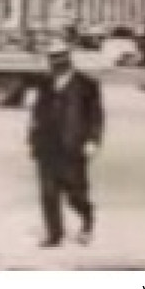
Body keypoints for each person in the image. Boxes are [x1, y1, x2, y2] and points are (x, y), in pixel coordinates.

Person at [28, 40, 104, 247]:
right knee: (48, 193)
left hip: (74, 147)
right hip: (47, 146)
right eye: (52, 58)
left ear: (68, 58)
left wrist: (93, 140)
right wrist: (33, 139)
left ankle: (87, 217)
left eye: (60, 57)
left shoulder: (87, 85)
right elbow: (37, 113)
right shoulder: (45, 84)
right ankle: (54, 234)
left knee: (75, 194)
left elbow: (96, 116)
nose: (56, 62)